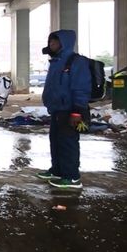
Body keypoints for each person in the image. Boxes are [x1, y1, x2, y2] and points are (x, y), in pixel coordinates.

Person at [37, 30, 90, 189]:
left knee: (68, 143)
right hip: (57, 110)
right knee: (56, 141)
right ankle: (57, 171)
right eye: (50, 42)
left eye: (54, 41)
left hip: (70, 110)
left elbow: (80, 88)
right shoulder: (56, 61)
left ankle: (72, 177)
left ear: (63, 42)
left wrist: (76, 112)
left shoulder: (75, 61)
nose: (51, 44)